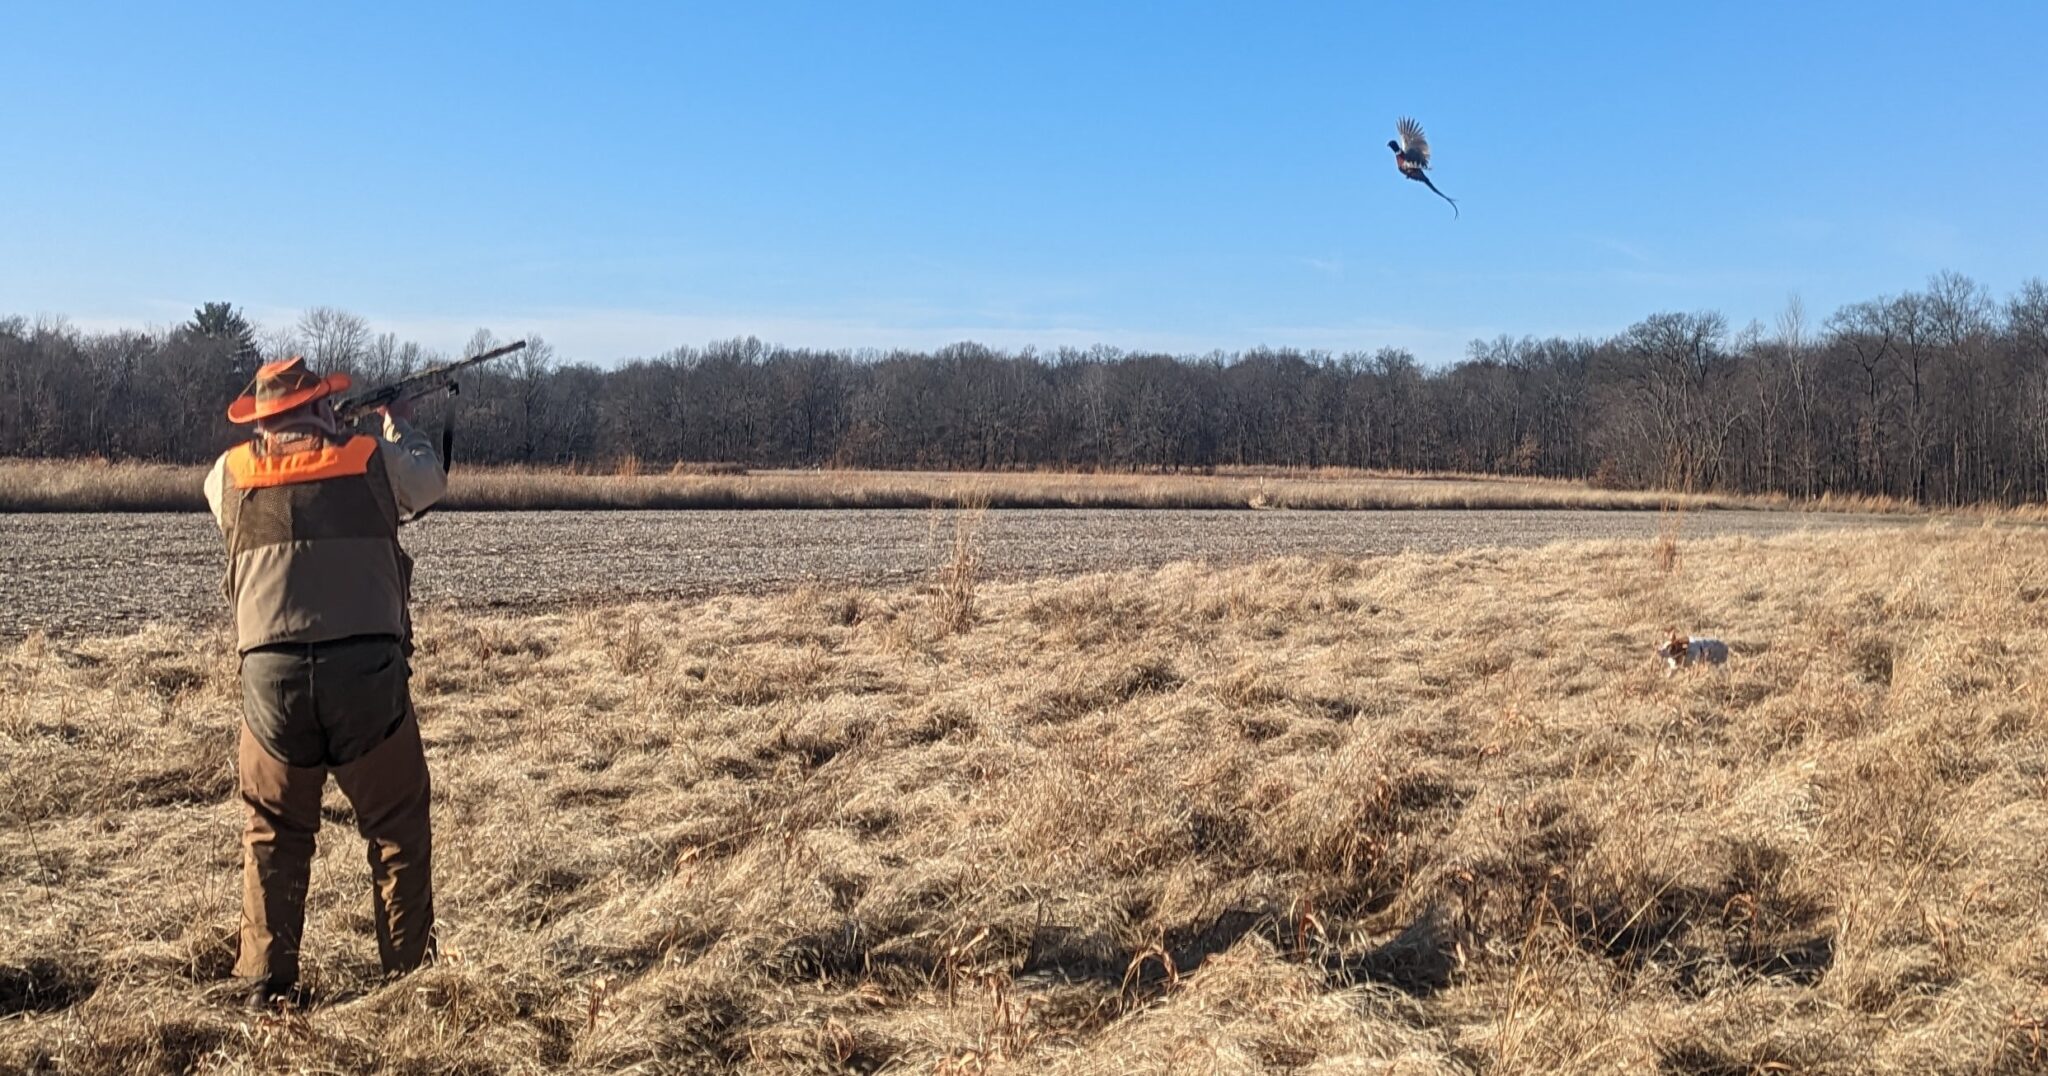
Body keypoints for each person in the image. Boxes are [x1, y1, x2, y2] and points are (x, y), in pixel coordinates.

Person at [203, 355, 446, 1010]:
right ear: (316, 406)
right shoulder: (372, 454)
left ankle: (263, 983)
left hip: (269, 681)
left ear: (261, 420)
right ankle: (408, 982)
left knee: (272, 832)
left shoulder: (227, 475)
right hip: (365, 675)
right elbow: (427, 484)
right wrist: (396, 424)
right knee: (396, 828)